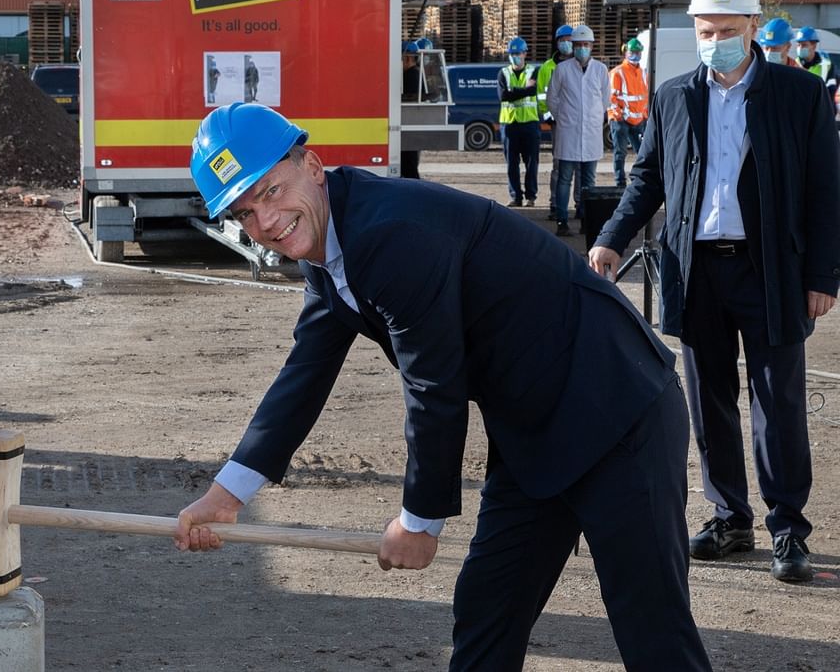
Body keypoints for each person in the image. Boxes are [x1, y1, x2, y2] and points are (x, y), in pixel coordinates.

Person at [174, 101, 713, 670]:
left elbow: (433, 383)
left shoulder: (388, 232)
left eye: (270, 191)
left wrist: (418, 521)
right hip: (534, 429)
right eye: (245, 213)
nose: (266, 222)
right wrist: (227, 495)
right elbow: (305, 373)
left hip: (616, 409)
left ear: (311, 164)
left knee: (651, 626)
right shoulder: (330, 246)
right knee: (489, 608)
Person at [589, 0, 840, 583]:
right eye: (706, 30)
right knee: (709, 400)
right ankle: (730, 518)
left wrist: (823, 277)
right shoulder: (674, 96)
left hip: (771, 273)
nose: (716, 40)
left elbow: (826, 193)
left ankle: (788, 528)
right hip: (696, 269)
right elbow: (646, 178)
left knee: (778, 403)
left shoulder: (798, 95)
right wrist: (610, 241)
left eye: (728, 29)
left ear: (754, 27)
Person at [546, 24, 610, 237]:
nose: (582, 48)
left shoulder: (600, 70)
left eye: (586, 44)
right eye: (579, 45)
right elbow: (552, 99)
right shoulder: (562, 70)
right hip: (568, 131)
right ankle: (562, 220)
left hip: (591, 132)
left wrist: (593, 117)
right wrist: (564, 117)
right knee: (565, 178)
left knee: (588, 180)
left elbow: (605, 99)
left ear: (591, 46)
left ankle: (585, 217)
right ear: (573, 47)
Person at [497, 36, 540, 207]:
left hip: (529, 124)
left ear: (525, 53)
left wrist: (514, 91)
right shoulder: (503, 73)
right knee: (511, 165)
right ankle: (515, 196)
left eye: (518, 53)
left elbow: (534, 91)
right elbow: (503, 96)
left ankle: (531, 196)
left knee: (531, 163)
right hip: (509, 125)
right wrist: (524, 90)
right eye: (512, 53)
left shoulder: (533, 71)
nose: (515, 56)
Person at [538, 24, 574, 220]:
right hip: (558, 123)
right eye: (563, 40)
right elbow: (543, 95)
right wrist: (550, 117)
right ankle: (555, 204)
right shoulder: (547, 68)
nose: (566, 44)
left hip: (577, 123)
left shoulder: (579, 65)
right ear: (557, 43)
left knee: (580, 165)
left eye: (570, 40)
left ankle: (580, 205)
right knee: (559, 165)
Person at [607, 38, 649, 187]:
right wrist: (618, 115)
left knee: (643, 153)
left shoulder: (643, 73)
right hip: (621, 120)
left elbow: (644, 96)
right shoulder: (617, 73)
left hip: (638, 120)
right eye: (633, 52)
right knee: (620, 153)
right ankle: (620, 182)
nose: (636, 55)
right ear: (626, 52)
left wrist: (644, 115)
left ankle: (639, 179)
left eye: (638, 52)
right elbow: (610, 98)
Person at [794, 26, 838, 114]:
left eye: (804, 45)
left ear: (814, 45)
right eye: (799, 44)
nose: (800, 48)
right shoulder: (794, 64)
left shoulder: (827, 66)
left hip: (820, 113)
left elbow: (830, 94)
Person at [400, 40, 422, 178]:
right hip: (410, 126)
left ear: (407, 58)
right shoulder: (416, 74)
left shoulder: (411, 76)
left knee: (409, 165)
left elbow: (410, 97)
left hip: (408, 125)